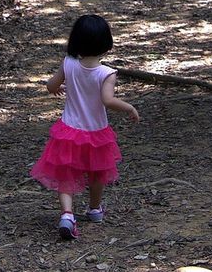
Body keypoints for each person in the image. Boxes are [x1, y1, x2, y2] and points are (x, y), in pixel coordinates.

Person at [30, 14, 140, 240]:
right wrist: (128, 107)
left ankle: (67, 215)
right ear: (105, 43)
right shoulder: (106, 73)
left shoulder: (68, 63)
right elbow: (107, 100)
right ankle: (95, 209)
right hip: (96, 132)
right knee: (98, 173)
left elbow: (51, 85)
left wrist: (55, 89)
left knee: (66, 174)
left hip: (69, 130)